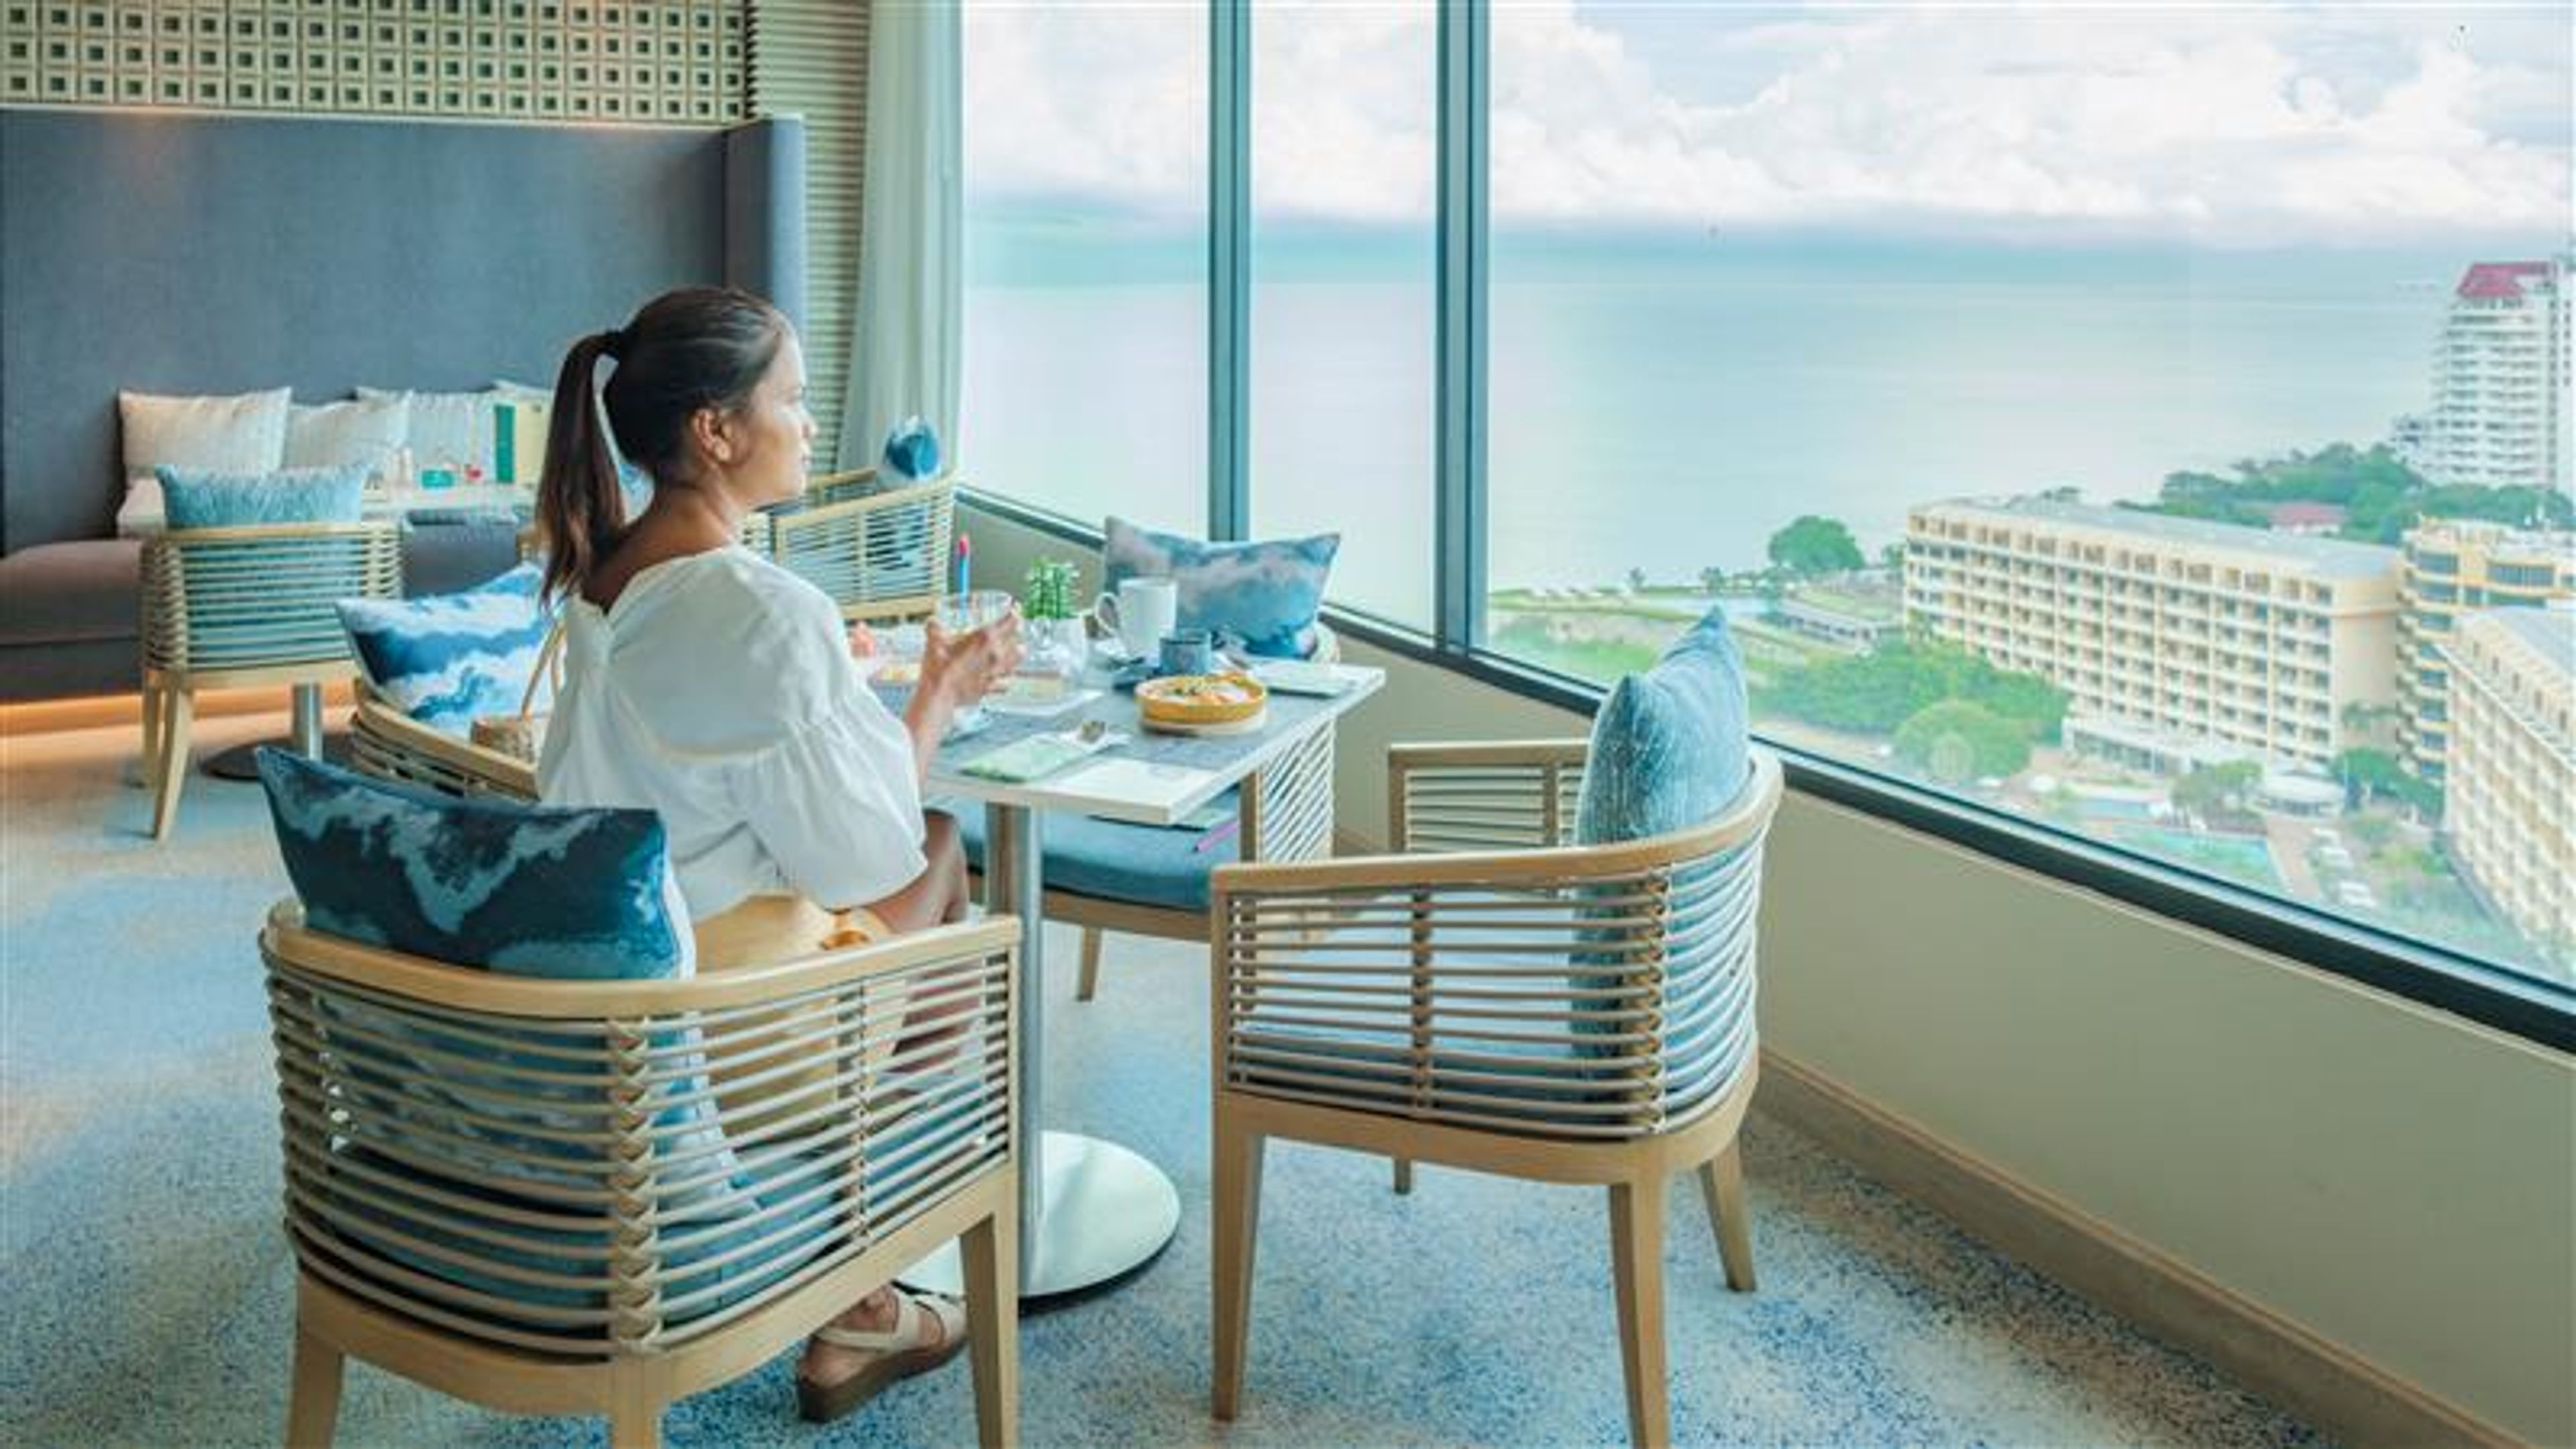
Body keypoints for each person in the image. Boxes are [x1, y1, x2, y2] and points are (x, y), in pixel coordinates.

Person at [530, 286, 1022, 1424]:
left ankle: (853, 1285)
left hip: (632, 993)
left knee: (922, 851)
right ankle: (856, 1279)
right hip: (734, 1045)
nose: (809, 425)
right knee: (945, 852)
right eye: (792, 400)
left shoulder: (595, 586)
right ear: (716, 431)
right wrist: (937, 699)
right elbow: (866, 858)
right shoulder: (763, 612)